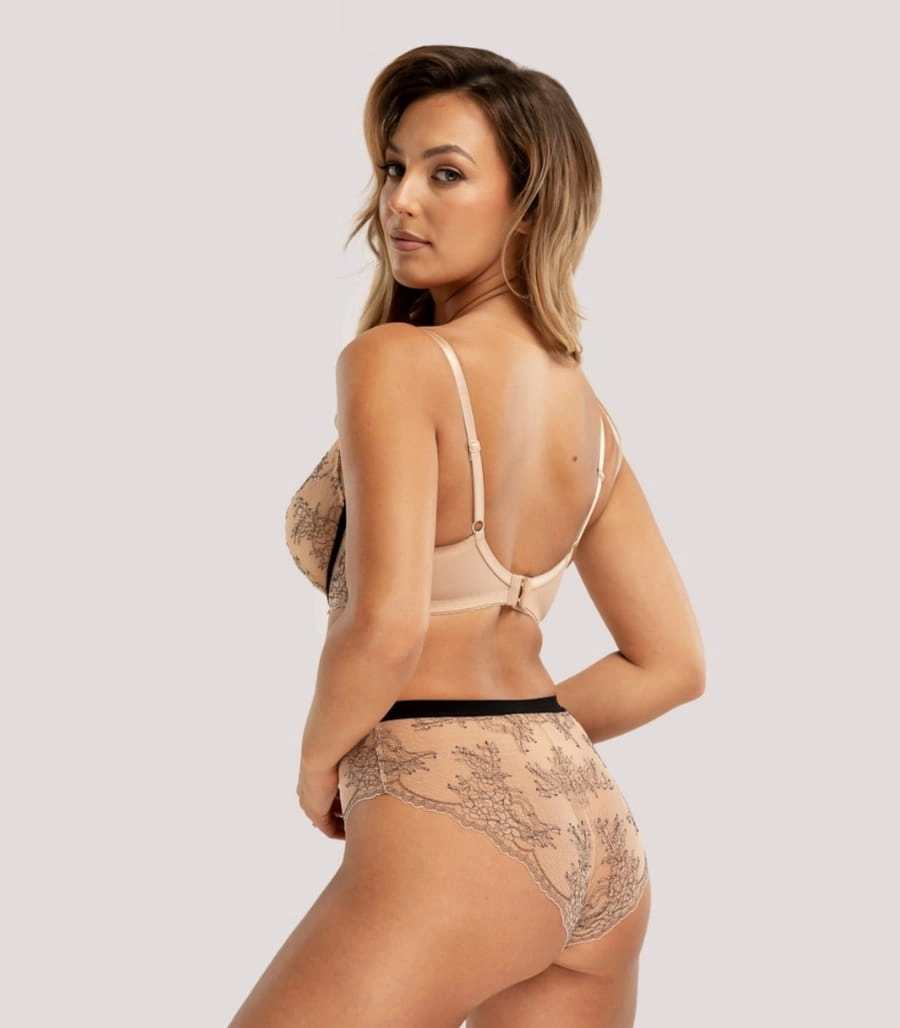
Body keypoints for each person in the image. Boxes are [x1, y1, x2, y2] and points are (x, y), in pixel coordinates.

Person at [229, 44, 705, 1028]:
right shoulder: (588, 415)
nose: (400, 201)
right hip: (597, 839)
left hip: (449, 831)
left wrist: (318, 765)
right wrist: (514, 745)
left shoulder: (396, 363)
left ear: (527, 203)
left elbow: (386, 625)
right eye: (394, 167)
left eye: (446, 173)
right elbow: (670, 664)